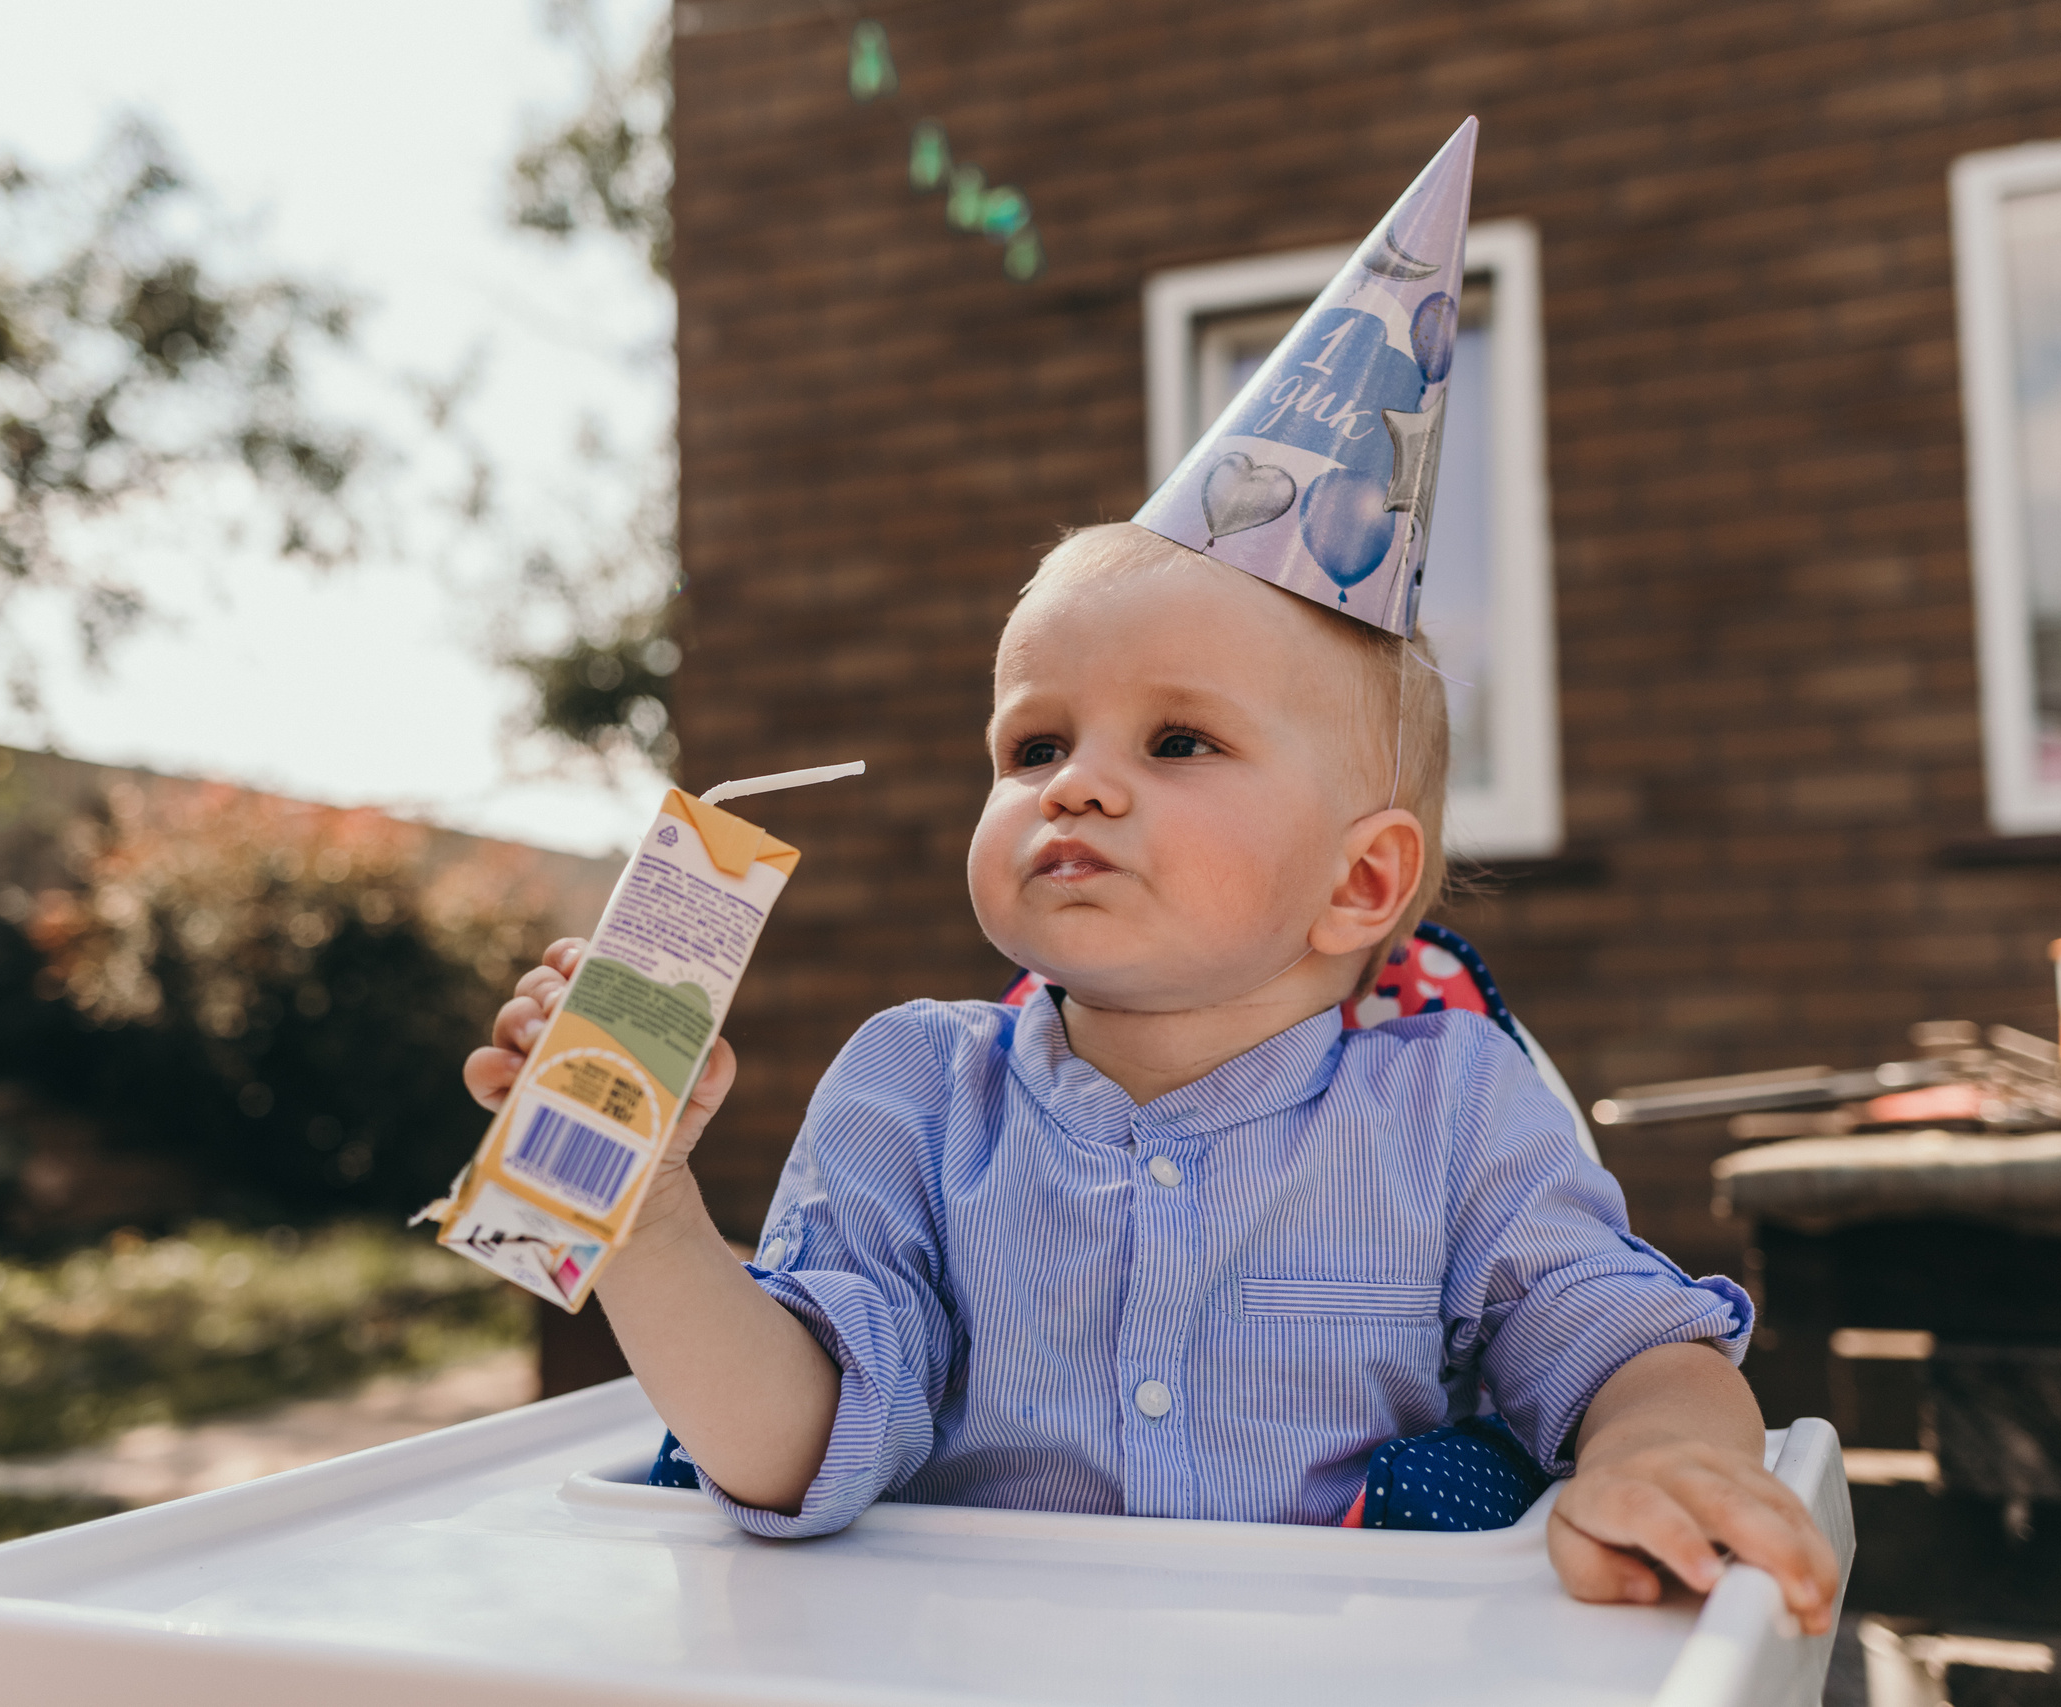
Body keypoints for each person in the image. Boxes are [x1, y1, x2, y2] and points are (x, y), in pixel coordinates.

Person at [466, 120, 1841, 1629]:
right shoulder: (916, 1097)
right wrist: (646, 1210)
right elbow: (789, 1451)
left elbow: (1627, 1343)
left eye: (1179, 741)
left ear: (1361, 885)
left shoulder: (1452, 1112)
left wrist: (1656, 1458)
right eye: (1033, 745)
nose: (1078, 783)